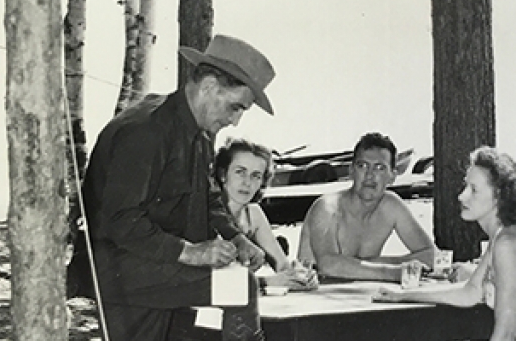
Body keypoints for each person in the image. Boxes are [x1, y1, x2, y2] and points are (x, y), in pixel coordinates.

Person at [79, 34, 276, 341]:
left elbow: (208, 199)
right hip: (119, 267)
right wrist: (190, 252)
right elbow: (119, 220)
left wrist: (235, 238)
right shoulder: (146, 131)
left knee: (236, 286)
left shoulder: (196, 132)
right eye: (235, 107)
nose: (235, 121)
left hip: (158, 266)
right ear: (209, 87)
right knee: (240, 286)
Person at [373, 146, 516, 341]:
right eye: (465, 187)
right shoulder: (502, 236)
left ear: (499, 196)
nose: (461, 196)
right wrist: (403, 295)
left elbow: (507, 332)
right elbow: (469, 292)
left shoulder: (508, 243)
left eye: (474, 190)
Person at [296, 132, 437, 281]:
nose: (370, 175)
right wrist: (393, 272)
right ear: (351, 172)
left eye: (379, 168)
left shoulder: (391, 206)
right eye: (362, 166)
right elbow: (328, 265)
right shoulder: (328, 208)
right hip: (315, 297)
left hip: (362, 296)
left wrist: (363, 264)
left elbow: (431, 255)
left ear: (392, 177)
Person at [214, 138, 318, 290]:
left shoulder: (253, 213)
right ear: (223, 174)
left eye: (255, 175)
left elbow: (282, 266)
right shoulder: (206, 215)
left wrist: (302, 277)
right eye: (240, 172)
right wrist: (268, 282)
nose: (247, 182)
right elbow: (215, 284)